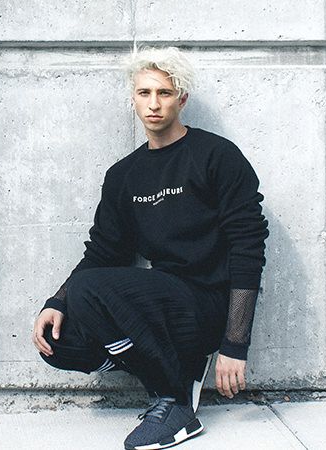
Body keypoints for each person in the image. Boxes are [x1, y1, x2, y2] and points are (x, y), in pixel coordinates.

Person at [32, 47, 269, 450]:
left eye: (164, 93)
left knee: (89, 290)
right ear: (133, 99)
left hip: (206, 303)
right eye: (145, 93)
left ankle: (175, 402)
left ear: (182, 99)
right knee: (59, 340)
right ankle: (169, 370)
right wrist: (57, 301)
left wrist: (234, 344)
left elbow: (248, 246)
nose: (154, 104)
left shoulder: (216, 156)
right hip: (156, 306)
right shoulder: (123, 175)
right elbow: (103, 252)